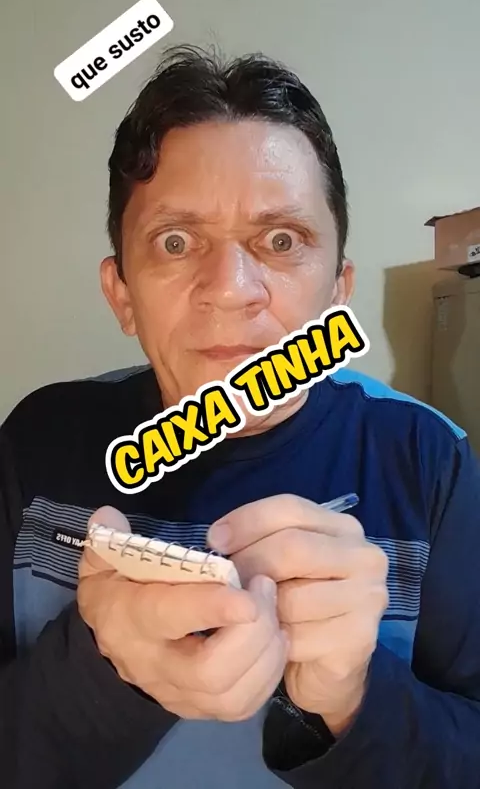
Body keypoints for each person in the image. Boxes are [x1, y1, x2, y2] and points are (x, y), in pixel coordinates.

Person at [1, 45, 479, 789]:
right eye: (176, 241)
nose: (230, 289)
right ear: (122, 294)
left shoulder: (429, 458)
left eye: (281, 240)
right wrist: (103, 675)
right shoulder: (37, 442)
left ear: (337, 291)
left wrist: (350, 702)